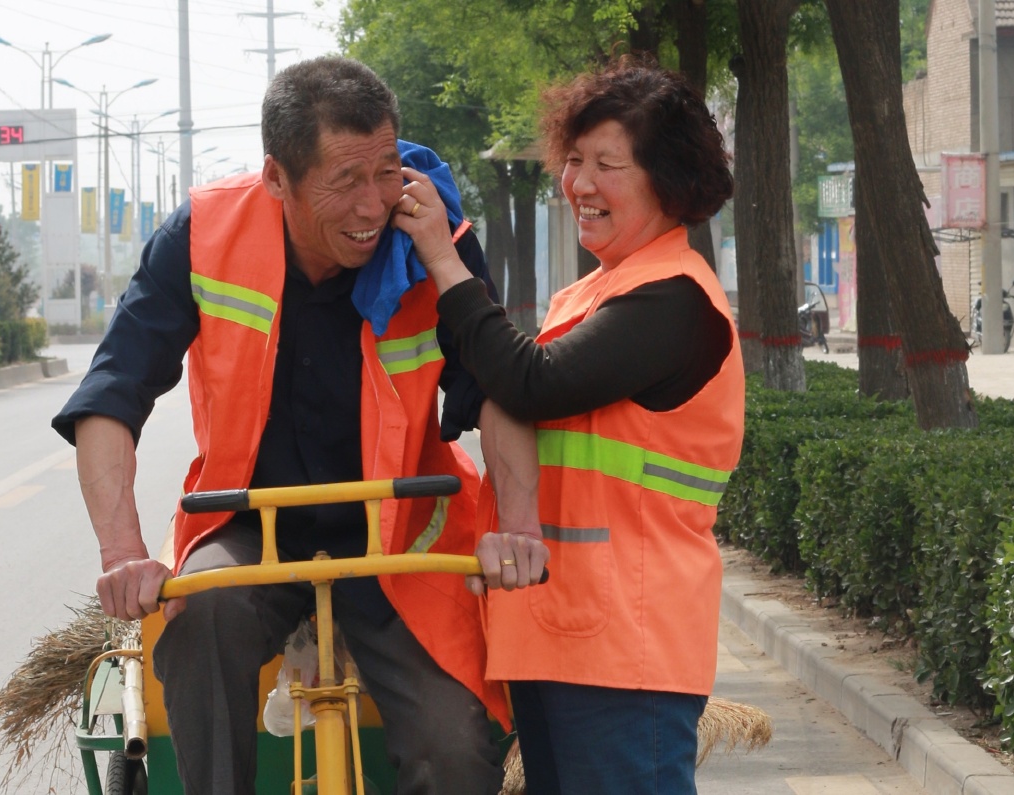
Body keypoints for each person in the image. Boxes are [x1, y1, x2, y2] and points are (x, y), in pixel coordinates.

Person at [52, 56, 526, 795]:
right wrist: (124, 553)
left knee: (457, 746)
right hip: (248, 526)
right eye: (346, 181)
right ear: (277, 177)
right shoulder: (202, 234)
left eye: (386, 171)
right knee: (202, 618)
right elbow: (110, 395)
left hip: (400, 531)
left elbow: (499, 387)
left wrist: (517, 525)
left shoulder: (435, 230)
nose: (376, 206)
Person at [394, 54, 744, 794]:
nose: (580, 184)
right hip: (557, 631)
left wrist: (443, 256)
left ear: (668, 179)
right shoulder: (593, 293)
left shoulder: (676, 300)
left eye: (607, 164)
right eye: (574, 159)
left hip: (626, 647)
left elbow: (528, 380)